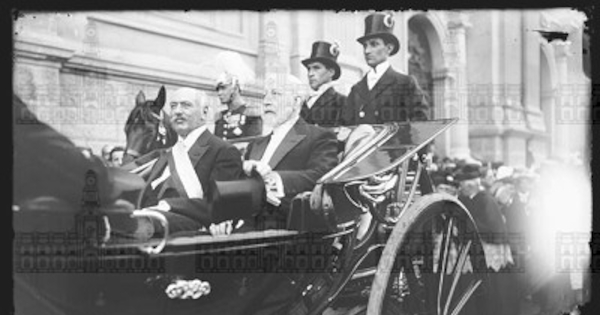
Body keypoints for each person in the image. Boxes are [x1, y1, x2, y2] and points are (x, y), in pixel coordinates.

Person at [138, 87, 243, 232]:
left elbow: (217, 206)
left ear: (204, 112)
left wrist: (168, 205)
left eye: (186, 105)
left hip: (186, 230)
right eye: (173, 106)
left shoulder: (223, 151)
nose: (177, 111)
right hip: (148, 220)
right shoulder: (168, 153)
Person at [241, 75, 339, 230]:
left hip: (288, 228)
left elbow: (322, 177)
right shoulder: (255, 145)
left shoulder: (319, 136)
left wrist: (273, 179)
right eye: (265, 94)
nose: (266, 100)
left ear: (296, 101)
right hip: (245, 225)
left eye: (276, 94)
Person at [340, 12, 430, 125]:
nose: (367, 51)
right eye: (365, 45)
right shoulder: (356, 89)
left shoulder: (405, 83)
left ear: (389, 48)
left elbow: (421, 124)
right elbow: (346, 126)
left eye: (374, 44)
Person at [454, 163, 518, 315]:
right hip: (468, 253)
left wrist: (468, 226)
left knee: (490, 291)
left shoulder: (486, 200)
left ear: (472, 185)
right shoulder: (462, 199)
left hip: (488, 253)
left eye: (463, 184)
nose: (461, 187)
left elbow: (495, 231)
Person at [300, 40, 347, 127]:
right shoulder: (303, 102)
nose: (310, 74)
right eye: (308, 69)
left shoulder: (341, 102)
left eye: (316, 68)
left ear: (331, 72)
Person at [213, 72, 263, 140]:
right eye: (218, 89)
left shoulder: (250, 114)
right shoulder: (220, 117)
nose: (219, 93)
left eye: (223, 88)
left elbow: (255, 145)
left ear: (235, 89)